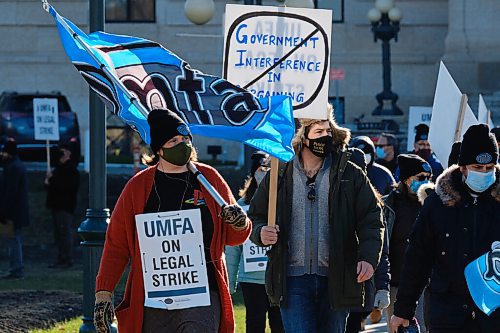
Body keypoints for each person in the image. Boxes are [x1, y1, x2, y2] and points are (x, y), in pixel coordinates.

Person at [93, 109, 251, 333]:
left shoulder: (210, 180)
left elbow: (236, 237)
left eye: (186, 139)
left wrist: (240, 222)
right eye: (174, 140)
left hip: (202, 293)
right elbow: (116, 245)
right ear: (159, 149)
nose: (183, 145)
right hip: (153, 299)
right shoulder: (138, 188)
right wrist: (103, 294)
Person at [249, 104, 385, 333]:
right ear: (303, 137)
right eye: (318, 132)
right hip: (292, 281)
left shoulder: (349, 174)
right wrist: (261, 232)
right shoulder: (279, 174)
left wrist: (369, 258)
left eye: (328, 131)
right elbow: (255, 216)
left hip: (336, 278)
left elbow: (372, 218)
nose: (326, 136)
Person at [390, 124, 500, 333]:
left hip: (493, 314)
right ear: (463, 168)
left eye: (490, 168)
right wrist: (403, 310)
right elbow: (418, 258)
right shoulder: (438, 203)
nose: (484, 173)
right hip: (448, 313)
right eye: (478, 168)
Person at [225, 151, 284, 333]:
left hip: (278, 277)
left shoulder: (284, 202)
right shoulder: (241, 206)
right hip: (251, 279)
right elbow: (233, 248)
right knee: (254, 324)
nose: (265, 174)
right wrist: (229, 281)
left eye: (269, 170)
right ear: (253, 173)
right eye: (261, 169)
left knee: (279, 324)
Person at [384, 154, 433, 332]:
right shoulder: (388, 205)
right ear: (406, 179)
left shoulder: (433, 204)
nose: (426, 181)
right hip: (396, 283)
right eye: (420, 178)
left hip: (426, 284)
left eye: (428, 178)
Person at [344, 153, 391, 333]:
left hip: (359, 289)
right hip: (332, 289)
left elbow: (381, 251)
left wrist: (382, 287)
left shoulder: (373, 206)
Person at [45, 142, 80, 268]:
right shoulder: (58, 168)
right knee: (58, 233)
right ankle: (61, 256)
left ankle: (67, 258)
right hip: (56, 205)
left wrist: (52, 180)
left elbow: (66, 188)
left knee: (65, 232)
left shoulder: (71, 170)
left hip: (65, 206)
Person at [0, 138, 29, 280]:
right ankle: (15, 268)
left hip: (12, 212)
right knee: (14, 239)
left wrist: (4, 211)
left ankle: (16, 269)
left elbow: (10, 192)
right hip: (16, 211)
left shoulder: (12, 168)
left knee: (14, 240)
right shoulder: (16, 166)